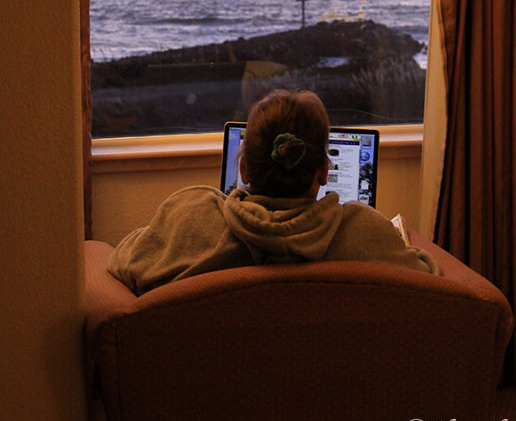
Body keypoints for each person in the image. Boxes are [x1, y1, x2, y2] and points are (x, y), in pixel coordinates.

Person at [108, 89, 439, 294]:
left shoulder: (190, 220)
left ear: (244, 170)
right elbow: (429, 281)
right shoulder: (366, 233)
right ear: (325, 172)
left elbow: (123, 262)